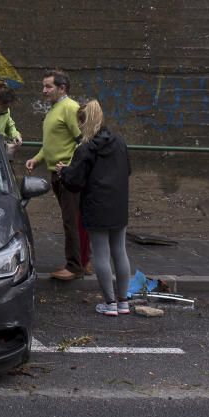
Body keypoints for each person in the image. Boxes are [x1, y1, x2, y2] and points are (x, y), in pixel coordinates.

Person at [57, 100, 132, 316]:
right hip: (118, 203)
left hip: (96, 205)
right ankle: (123, 301)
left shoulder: (86, 148)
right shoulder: (119, 141)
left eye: (80, 124)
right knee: (119, 251)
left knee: (100, 253)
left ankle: (109, 304)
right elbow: (127, 169)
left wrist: (64, 172)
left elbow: (75, 181)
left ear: (84, 122)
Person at [24, 70, 91, 280]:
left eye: (48, 86)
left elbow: (82, 140)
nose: (44, 90)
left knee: (71, 220)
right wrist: (37, 158)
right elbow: (52, 143)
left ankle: (74, 267)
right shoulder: (55, 108)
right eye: (43, 86)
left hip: (67, 175)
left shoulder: (70, 108)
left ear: (62, 88)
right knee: (75, 219)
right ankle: (84, 261)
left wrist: (70, 167)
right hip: (58, 172)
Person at [0, 80, 23, 159]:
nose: (6, 110)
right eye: (4, 107)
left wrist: (15, 135)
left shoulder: (6, 111)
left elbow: (9, 125)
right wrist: (5, 147)